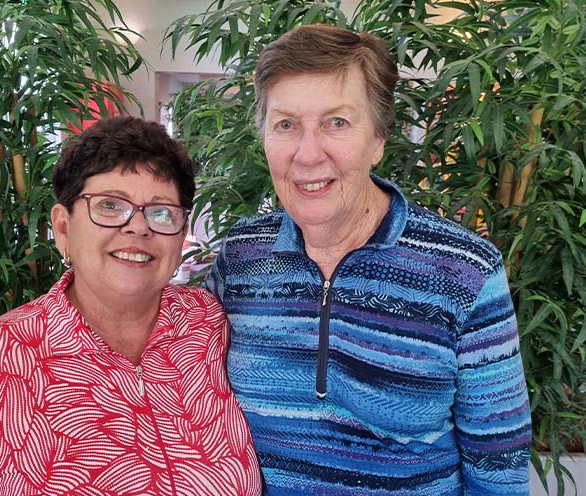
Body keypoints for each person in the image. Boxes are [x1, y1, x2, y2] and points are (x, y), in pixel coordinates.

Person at [207, 25, 531, 495]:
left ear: (378, 139)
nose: (307, 154)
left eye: (337, 122)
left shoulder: (465, 270)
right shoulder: (241, 257)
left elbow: (499, 466)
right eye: (286, 125)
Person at [0, 116, 261, 496]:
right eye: (110, 205)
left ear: (182, 233)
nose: (138, 227)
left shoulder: (207, 323)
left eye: (161, 212)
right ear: (63, 227)